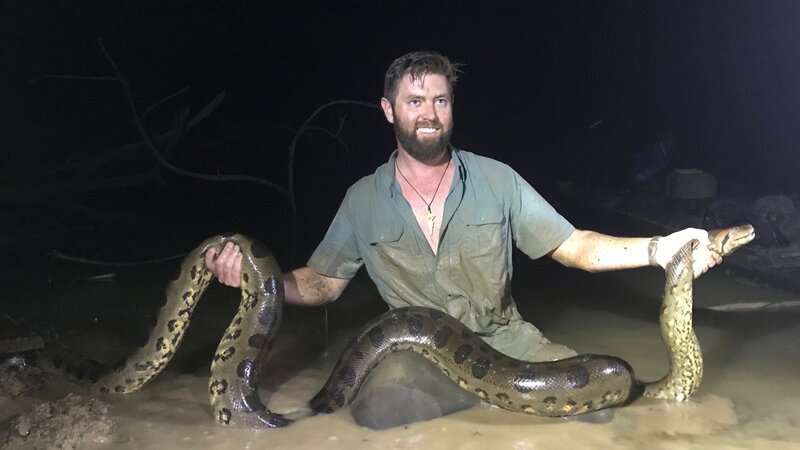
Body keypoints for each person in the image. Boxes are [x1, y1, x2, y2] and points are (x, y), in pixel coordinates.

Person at [205, 50, 722, 428]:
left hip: (509, 344)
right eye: (414, 101)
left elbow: (577, 247)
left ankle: (494, 401)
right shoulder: (361, 200)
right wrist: (253, 277)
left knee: (603, 410)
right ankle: (484, 406)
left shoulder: (497, 180)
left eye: (440, 100)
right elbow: (322, 284)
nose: (428, 113)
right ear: (389, 110)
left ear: (451, 107)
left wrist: (661, 249)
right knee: (379, 416)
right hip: (419, 352)